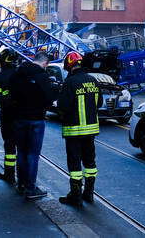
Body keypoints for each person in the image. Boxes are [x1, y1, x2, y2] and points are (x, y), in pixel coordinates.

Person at [9, 50, 57, 200]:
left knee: (21, 152)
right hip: (36, 119)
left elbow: (11, 93)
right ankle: (31, 188)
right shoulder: (43, 76)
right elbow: (49, 99)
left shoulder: (18, 74)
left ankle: (21, 184)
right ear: (45, 63)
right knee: (33, 154)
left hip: (19, 118)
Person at [57, 52, 100, 206]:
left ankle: (75, 196)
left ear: (69, 65)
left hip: (74, 131)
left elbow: (62, 106)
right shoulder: (93, 80)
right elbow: (99, 103)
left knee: (75, 165)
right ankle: (88, 193)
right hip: (90, 131)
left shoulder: (70, 82)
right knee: (90, 163)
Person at [0, 47, 22, 187]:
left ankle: (9, 175)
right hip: (21, 115)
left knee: (9, 145)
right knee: (22, 146)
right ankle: (23, 179)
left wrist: (7, 99)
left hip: (7, 114)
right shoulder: (21, 74)